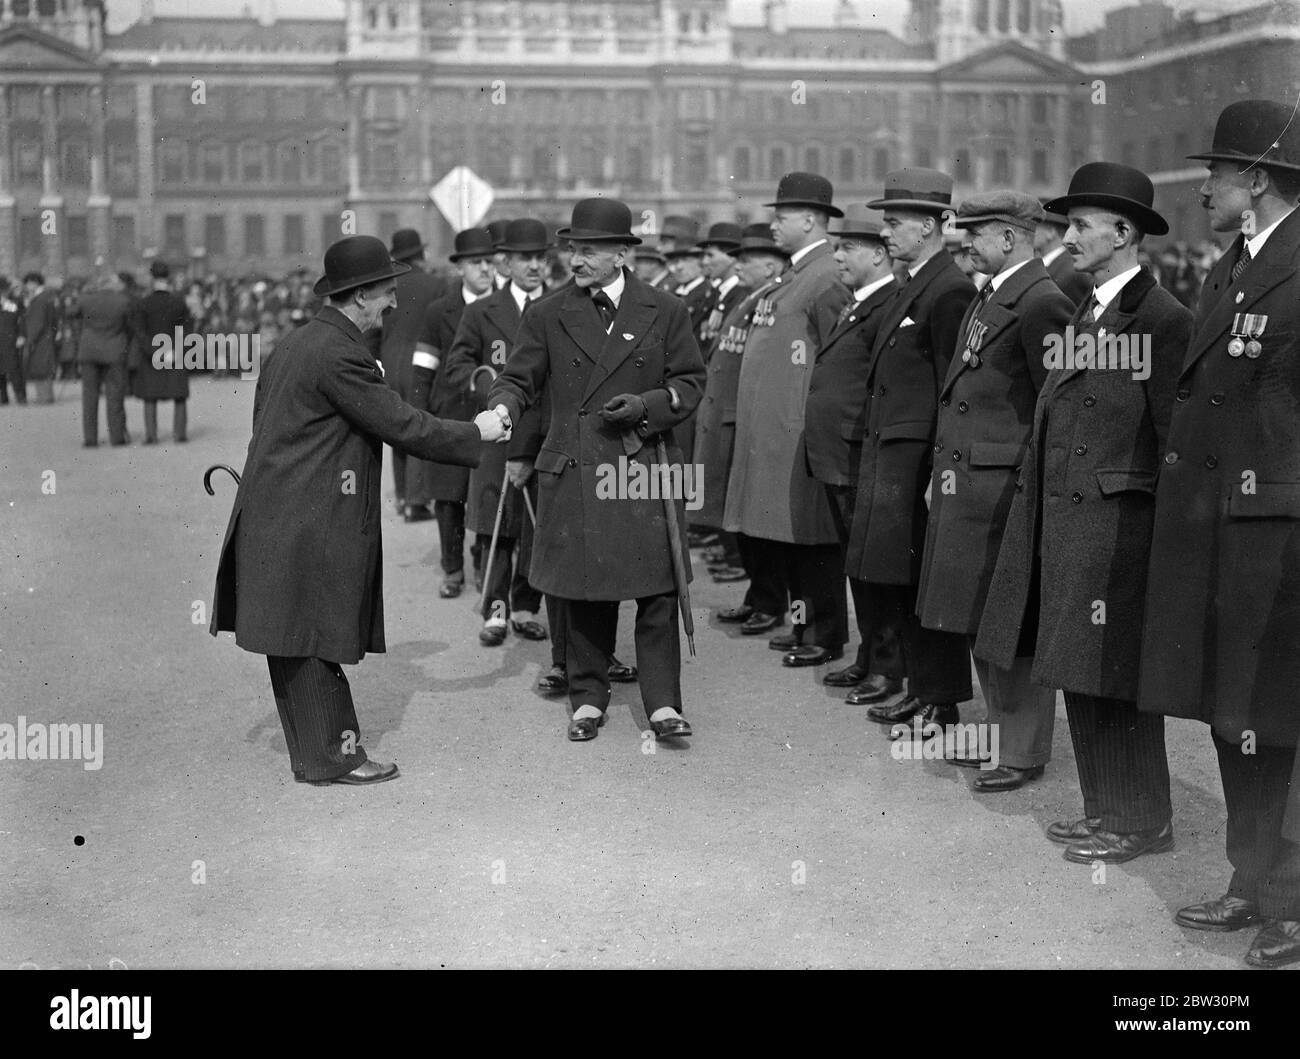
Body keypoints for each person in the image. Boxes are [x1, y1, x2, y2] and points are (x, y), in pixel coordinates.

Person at [210, 235, 506, 785]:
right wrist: (479, 430)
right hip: (310, 517)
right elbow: (404, 425)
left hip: (278, 511)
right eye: (387, 293)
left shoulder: (297, 342)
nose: (395, 304)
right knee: (315, 633)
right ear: (359, 295)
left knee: (292, 635)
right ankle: (337, 757)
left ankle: (313, 754)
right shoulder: (341, 353)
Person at [976, 162, 1192, 862]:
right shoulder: (1087, 307)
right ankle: (1108, 810)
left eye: (1078, 226)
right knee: (1083, 674)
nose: (1066, 238)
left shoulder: (1162, 319)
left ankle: (1141, 819)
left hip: (1120, 531)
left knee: (1119, 683)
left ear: (1122, 232)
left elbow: (1174, 441)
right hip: (1075, 525)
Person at [1139, 100, 1300, 968]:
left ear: (1259, 180)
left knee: (1279, 715)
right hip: (1220, 531)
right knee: (1232, 710)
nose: (1204, 186)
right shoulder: (1237, 264)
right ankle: (1249, 879)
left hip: (1280, 538)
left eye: (1217, 172)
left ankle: (1291, 902)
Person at [486, 197, 704, 743]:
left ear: (623, 254)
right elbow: (518, 379)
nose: (575, 260)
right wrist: (501, 409)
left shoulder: (665, 309)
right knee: (584, 589)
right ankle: (588, 698)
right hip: (576, 466)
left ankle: (662, 704)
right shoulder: (548, 313)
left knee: (656, 591)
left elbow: (691, 384)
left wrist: (648, 406)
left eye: (588, 250)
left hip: (642, 465)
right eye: (572, 250)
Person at [915, 191, 1073, 786]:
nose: (964, 242)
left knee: (1010, 621)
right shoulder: (994, 294)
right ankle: (1000, 737)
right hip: (972, 485)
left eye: (976, 233)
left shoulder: (1041, 302)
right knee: (979, 615)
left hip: (1004, 488)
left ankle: (1022, 751)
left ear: (1008, 238)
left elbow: (1054, 406)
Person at [849, 168, 975, 736]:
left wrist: (939, 468)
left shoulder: (948, 289)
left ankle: (940, 699)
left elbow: (954, 387)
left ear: (929, 226)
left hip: (920, 462)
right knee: (900, 578)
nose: (887, 233)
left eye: (895, 223)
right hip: (894, 456)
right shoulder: (914, 282)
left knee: (925, 581)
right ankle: (921, 688)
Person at [725, 172, 851, 668]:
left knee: (814, 537)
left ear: (810, 220)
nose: (772, 225)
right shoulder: (798, 273)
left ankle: (823, 634)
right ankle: (805, 626)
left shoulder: (825, 276)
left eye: (780, 217)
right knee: (794, 535)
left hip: (802, 432)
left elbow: (838, 359)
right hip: (779, 431)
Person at [803, 206, 903, 707]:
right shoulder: (858, 301)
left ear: (880, 255)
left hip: (858, 452)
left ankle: (888, 665)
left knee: (872, 565)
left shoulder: (886, 303)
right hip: (839, 452)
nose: (837, 255)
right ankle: (870, 655)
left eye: (847, 249)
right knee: (855, 562)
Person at [442, 218, 550, 647]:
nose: (535, 266)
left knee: (537, 526)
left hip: (544, 434)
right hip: (497, 434)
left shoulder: (563, 307)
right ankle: (496, 609)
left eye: (542, 258)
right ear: (505, 262)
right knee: (496, 526)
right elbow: (458, 367)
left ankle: (526, 606)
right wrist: (492, 388)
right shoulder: (481, 310)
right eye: (526, 259)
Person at [699, 224, 789, 632]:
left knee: (757, 523)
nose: (739, 265)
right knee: (742, 521)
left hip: (745, 418)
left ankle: (770, 602)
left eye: (746, 259)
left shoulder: (768, 298)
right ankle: (758, 597)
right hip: (732, 416)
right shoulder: (753, 296)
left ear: (771, 265)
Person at [408, 228, 497, 598]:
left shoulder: (507, 307)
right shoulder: (438, 311)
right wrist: (417, 415)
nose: (485, 269)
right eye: (476, 262)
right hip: (448, 414)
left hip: (492, 417)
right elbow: (424, 366)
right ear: (460, 267)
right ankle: (452, 569)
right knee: (448, 496)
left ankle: (484, 564)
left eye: (490, 262)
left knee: (489, 493)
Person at [381, 228, 447, 520]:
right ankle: (417, 502)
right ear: (420, 253)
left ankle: (403, 496)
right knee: (419, 426)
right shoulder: (436, 284)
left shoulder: (386, 285)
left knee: (397, 429)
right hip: (421, 362)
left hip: (389, 362)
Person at [72, 272, 136, 447]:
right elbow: (130, 327)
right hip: (115, 351)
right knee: (115, 396)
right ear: (113, 285)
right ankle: (117, 437)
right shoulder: (123, 301)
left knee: (89, 396)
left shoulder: (85, 300)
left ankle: (90, 438)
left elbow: (72, 313)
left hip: (89, 351)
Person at [132, 261, 192, 444]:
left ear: (152, 278)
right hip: (176, 354)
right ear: (169, 278)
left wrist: (155, 352)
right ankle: (179, 434)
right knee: (179, 394)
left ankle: (151, 435)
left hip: (152, 356)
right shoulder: (178, 302)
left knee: (150, 395)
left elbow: (140, 333)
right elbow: (187, 330)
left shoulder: (143, 303)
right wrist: (174, 351)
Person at [1034, 203, 1093, 307]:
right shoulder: (1057, 265)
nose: (1030, 231)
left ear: (1050, 232)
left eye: (1035, 226)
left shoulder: (1070, 272)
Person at [23, 272, 60, 403]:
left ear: (34, 283)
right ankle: (46, 396)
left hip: (39, 339)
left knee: (40, 367)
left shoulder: (39, 300)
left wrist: (30, 339)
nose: (26, 286)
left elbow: (36, 322)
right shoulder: (47, 297)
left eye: (28, 283)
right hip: (47, 337)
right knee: (45, 366)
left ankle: (44, 397)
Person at [0, 278, 23, 406]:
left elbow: (21, 320)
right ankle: (3, 398)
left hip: (10, 340)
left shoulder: (13, 304)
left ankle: (20, 396)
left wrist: (21, 335)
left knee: (14, 370)